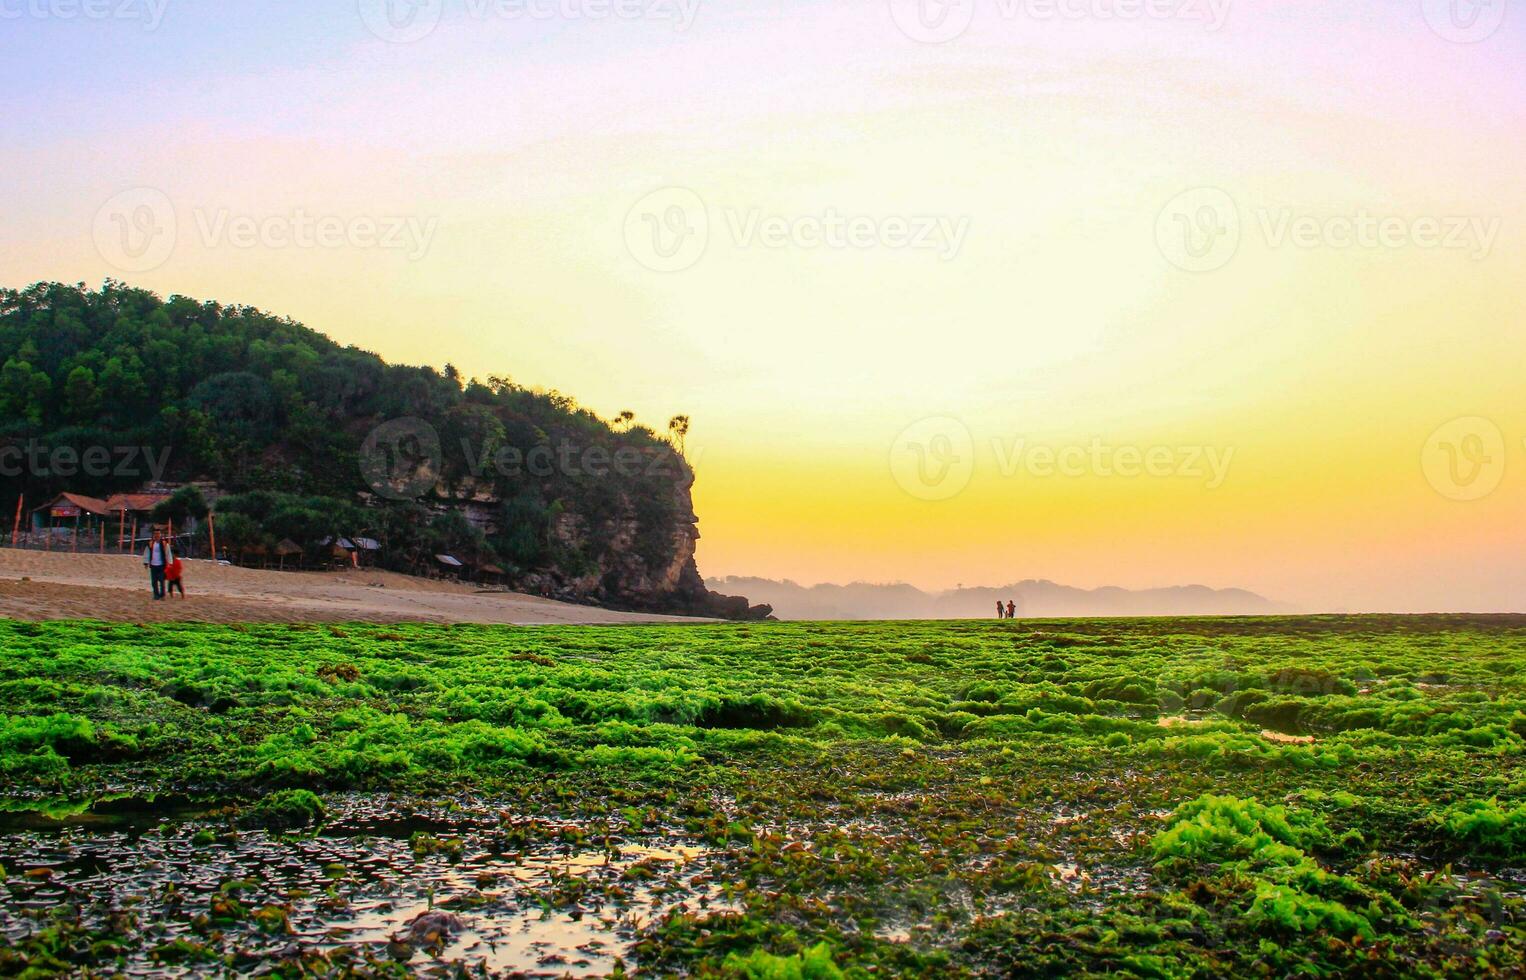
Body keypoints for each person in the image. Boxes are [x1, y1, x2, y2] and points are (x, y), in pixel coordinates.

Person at [142, 529, 173, 600]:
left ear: (160, 535)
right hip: (153, 565)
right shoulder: (150, 543)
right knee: (154, 581)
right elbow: (147, 553)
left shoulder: (165, 544)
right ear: (153, 535)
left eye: (158, 534)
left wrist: (170, 563)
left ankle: (162, 595)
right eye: (155, 534)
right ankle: (156, 595)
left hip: (162, 565)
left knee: (162, 581)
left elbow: (168, 554)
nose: (157, 535)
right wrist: (146, 563)